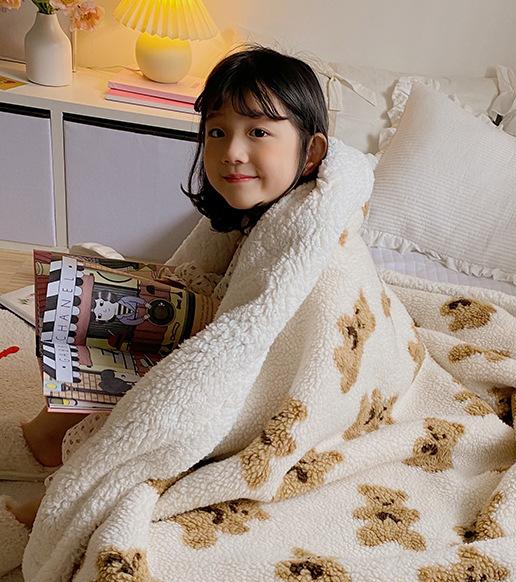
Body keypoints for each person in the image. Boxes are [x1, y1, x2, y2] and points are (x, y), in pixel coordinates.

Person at [1, 45, 329, 548]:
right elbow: (208, 281)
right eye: (217, 132)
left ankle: (58, 500)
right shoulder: (253, 212)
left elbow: (270, 347)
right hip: (240, 339)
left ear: (312, 153)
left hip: (278, 380)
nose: (232, 151)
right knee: (104, 297)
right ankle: (45, 435)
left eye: (259, 132)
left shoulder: (307, 229)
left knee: (146, 350)